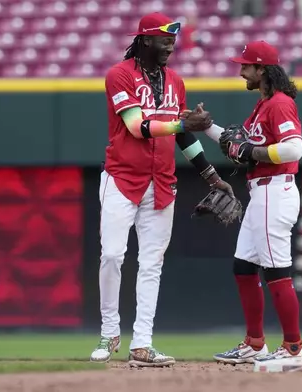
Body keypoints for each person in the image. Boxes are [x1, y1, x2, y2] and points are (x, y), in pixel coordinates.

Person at [90, 12, 235, 368]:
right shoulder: (119, 75)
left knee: (151, 264)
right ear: (144, 41)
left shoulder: (175, 81)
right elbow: (138, 127)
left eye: (172, 40)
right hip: (122, 178)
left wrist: (211, 175)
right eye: (163, 39)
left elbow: (182, 134)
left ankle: (142, 344)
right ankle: (110, 333)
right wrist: (183, 121)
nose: (170, 45)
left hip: (161, 182)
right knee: (112, 255)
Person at [188, 41, 302, 363]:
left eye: (246, 66)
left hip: (275, 191)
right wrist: (206, 127)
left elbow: (294, 150)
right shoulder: (262, 105)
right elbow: (234, 143)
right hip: (261, 193)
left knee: (276, 270)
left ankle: (293, 347)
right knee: (243, 268)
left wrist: (253, 153)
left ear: (263, 69)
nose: (241, 71)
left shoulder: (279, 104)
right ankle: (255, 344)